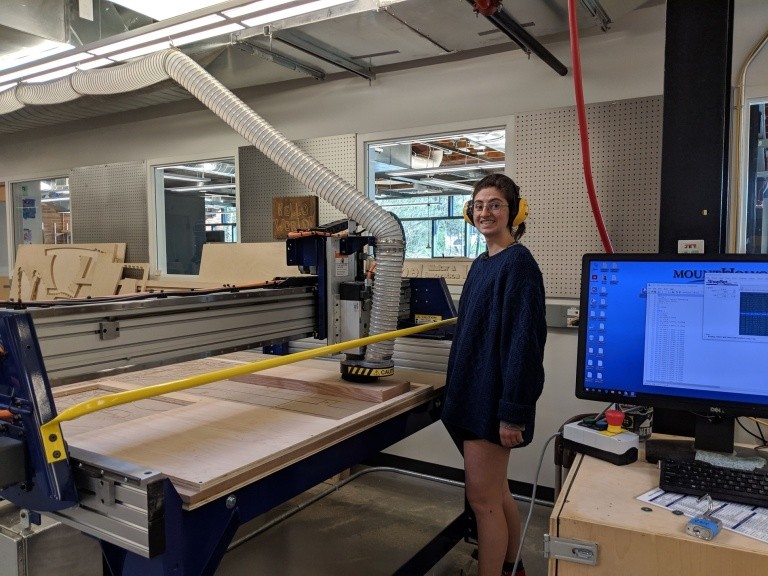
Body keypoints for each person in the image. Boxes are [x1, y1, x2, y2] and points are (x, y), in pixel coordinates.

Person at [441, 173, 547, 576]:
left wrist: (513, 412)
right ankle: (511, 566)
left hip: (492, 402)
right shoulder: (483, 263)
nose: (486, 212)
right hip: (473, 396)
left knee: (483, 503)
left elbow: (525, 344)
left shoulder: (518, 264)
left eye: (495, 204)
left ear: (514, 212)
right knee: (497, 493)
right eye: (479, 205)